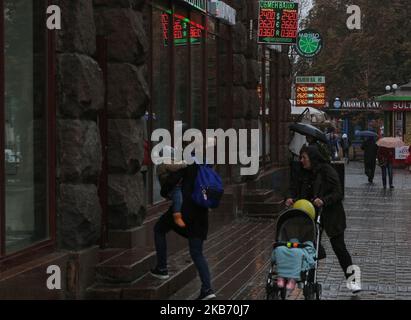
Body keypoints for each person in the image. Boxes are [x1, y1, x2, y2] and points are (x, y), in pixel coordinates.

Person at [285, 145, 361, 294]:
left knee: (339, 249)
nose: (301, 161)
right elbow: (293, 189)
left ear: (312, 158)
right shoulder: (302, 172)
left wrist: (324, 200)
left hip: (332, 215)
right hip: (311, 216)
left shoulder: (326, 170)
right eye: (300, 157)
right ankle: (310, 282)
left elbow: (338, 192)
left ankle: (353, 281)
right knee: (310, 248)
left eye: (304, 158)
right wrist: (290, 198)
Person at [150, 137, 216, 300]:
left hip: (185, 210)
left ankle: (162, 268)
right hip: (201, 213)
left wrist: (166, 192)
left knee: (159, 229)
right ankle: (208, 290)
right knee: (197, 252)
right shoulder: (206, 163)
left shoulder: (186, 162)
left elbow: (170, 184)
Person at [156, 146, 187, 228]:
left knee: (180, 197)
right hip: (170, 187)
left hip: (173, 185)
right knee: (178, 198)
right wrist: (183, 164)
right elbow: (173, 167)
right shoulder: (165, 164)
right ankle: (177, 216)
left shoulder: (168, 162)